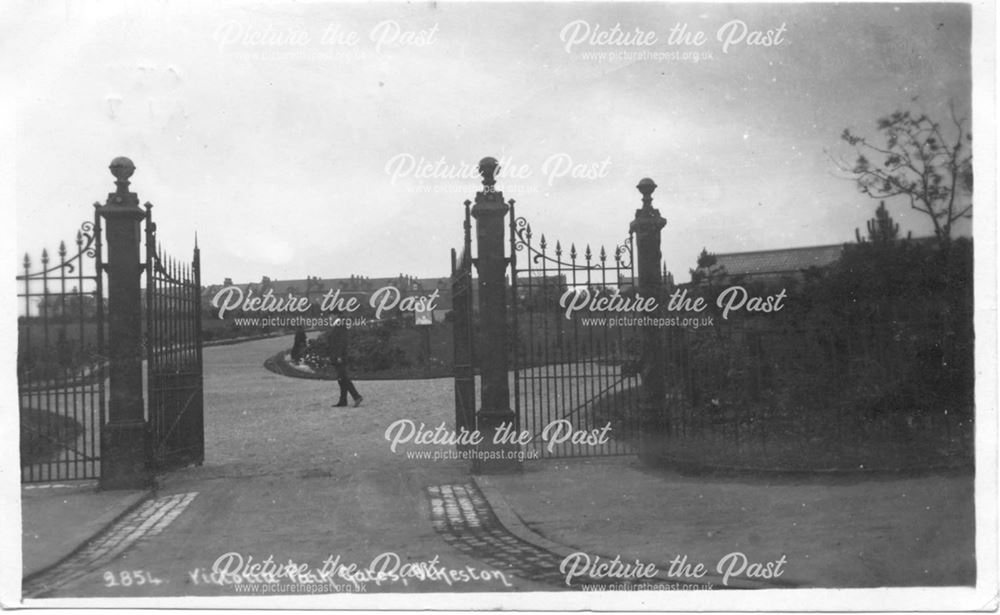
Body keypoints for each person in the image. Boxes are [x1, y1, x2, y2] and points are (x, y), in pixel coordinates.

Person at [327, 310, 363, 407]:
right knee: (341, 379)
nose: (330, 318)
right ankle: (343, 400)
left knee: (343, 378)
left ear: (335, 315)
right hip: (336, 355)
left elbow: (341, 342)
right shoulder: (338, 325)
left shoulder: (340, 326)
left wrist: (338, 356)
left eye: (331, 316)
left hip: (340, 356)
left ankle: (356, 396)